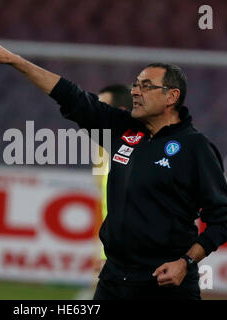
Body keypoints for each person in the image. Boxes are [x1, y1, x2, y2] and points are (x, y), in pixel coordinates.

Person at [0, 30, 227, 300]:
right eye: (135, 84)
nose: (134, 91)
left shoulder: (196, 148)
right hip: (115, 278)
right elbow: (72, 96)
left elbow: (222, 220)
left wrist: (186, 263)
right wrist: (17, 62)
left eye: (146, 86)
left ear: (171, 97)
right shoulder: (123, 130)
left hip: (165, 282)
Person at [95, 85, 133, 273]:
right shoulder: (104, 147)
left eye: (101, 106)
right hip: (113, 248)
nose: (94, 112)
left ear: (121, 111)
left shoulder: (138, 149)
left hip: (132, 254)